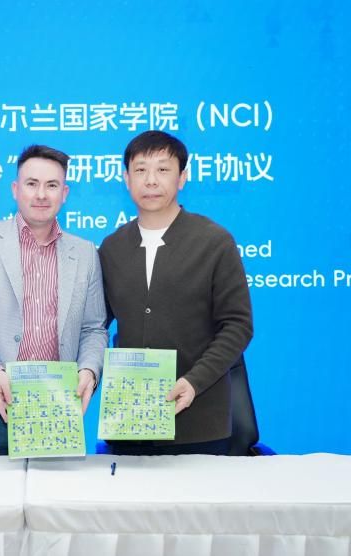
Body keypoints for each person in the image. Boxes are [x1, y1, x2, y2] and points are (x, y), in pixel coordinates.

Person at [0, 145, 108, 455]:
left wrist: (89, 371)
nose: (41, 194)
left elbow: (94, 329)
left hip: (54, 412)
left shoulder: (85, 254)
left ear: (65, 193)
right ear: (16, 189)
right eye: (31, 183)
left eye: (51, 185)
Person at [98, 130, 253, 455]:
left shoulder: (214, 242)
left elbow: (237, 325)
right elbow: (94, 326)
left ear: (182, 177)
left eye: (163, 169)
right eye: (140, 170)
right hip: (130, 422)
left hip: (199, 421)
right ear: (126, 179)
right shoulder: (111, 248)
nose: (151, 180)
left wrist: (195, 381)